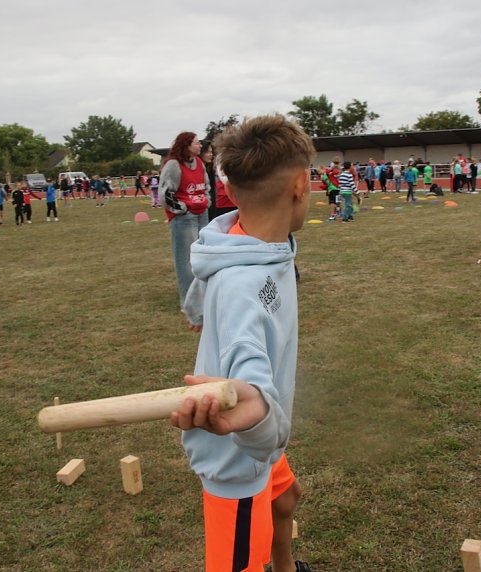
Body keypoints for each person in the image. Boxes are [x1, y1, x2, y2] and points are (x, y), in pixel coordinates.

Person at [173, 114, 313, 572]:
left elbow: (210, 264)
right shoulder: (242, 289)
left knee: (287, 499)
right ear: (301, 184)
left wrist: (196, 309)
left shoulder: (245, 239)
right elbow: (249, 384)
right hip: (241, 451)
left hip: (265, 443)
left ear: (229, 193)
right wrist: (258, 414)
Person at [160, 131, 210, 309]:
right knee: (185, 260)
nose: (200, 146)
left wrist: (206, 202)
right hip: (184, 218)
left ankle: (203, 297)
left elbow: (205, 185)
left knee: (201, 256)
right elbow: (165, 192)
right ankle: (188, 302)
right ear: (187, 146)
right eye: (196, 143)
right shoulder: (173, 165)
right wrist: (182, 208)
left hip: (201, 213)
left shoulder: (199, 163)